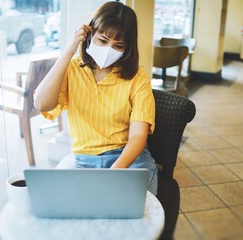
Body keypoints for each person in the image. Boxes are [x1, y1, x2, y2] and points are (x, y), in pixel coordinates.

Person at [34, 1, 158, 195]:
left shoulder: (138, 78)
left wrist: (114, 172)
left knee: (126, 211)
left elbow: (138, 136)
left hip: (128, 159)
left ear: (127, 48)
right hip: (84, 160)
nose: (109, 49)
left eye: (118, 46)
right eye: (102, 40)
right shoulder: (73, 68)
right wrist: (69, 50)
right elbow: (41, 103)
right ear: (89, 34)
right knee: (60, 204)